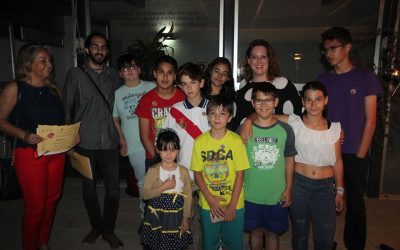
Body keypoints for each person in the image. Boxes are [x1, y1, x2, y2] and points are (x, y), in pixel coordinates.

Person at [0, 43, 74, 250]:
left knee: (51, 203)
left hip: (56, 154)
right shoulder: (15, 88)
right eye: (43, 60)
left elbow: (58, 123)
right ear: (28, 64)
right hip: (29, 155)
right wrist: (24, 134)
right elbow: (1, 120)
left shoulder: (53, 89)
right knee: (36, 208)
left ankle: (43, 242)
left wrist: (68, 137)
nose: (49, 64)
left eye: (49, 60)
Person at [317, 27, 382, 250]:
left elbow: (371, 121)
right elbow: (319, 116)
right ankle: (327, 243)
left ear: (347, 47)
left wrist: (360, 156)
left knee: (354, 205)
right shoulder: (323, 79)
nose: (329, 53)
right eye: (326, 50)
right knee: (326, 203)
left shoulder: (366, 77)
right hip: (328, 152)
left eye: (333, 48)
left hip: (355, 152)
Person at [62, 32, 124, 248]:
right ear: (86, 50)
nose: (100, 50)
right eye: (95, 46)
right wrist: (68, 143)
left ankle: (108, 229)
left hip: (110, 141)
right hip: (85, 142)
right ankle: (96, 225)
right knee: (88, 189)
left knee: (113, 189)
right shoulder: (75, 75)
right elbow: (67, 110)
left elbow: (122, 108)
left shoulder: (114, 75)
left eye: (104, 47)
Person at [190, 96, 250, 250]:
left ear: (229, 118)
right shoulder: (200, 142)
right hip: (208, 204)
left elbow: (240, 175)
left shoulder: (236, 141)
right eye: (213, 113)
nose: (217, 117)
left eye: (222, 113)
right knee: (210, 244)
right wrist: (210, 200)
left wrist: (232, 205)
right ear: (207, 116)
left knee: (234, 244)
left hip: (234, 203)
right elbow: (197, 174)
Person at [242, 83, 296, 250]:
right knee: (256, 233)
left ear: (276, 102)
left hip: (276, 195)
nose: (263, 105)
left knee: (273, 234)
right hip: (250, 194)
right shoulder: (244, 129)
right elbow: (238, 163)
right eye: (259, 101)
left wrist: (288, 189)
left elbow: (289, 160)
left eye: (268, 100)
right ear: (252, 103)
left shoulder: (286, 130)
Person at [163, 62, 210, 249]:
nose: (188, 87)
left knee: (206, 219)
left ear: (202, 83)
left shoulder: (214, 109)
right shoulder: (175, 110)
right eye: (184, 84)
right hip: (182, 173)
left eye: (193, 82)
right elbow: (165, 141)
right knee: (183, 218)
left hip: (208, 174)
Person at [113, 53, 155, 215]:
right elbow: (115, 119)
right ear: (120, 73)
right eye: (125, 68)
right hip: (134, 144)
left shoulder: (151, 86)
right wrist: (122, 141)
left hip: (154, 141)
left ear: (139, 70)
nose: (130, 70)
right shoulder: (117, 94)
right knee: (143, 181)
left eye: (133, 67)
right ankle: (146, 217)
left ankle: (162, 215)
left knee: (160, 179)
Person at [230, 39, 302, 131]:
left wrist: (251, 119)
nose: (259, 61)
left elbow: (297, 119)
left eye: (263, 57)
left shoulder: (283, 84)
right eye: (254, 57)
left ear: (269, 60)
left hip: (275, 143)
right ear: (249, 61)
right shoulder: (243, 85)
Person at [139, 129, 193, 250]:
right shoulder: (153, 170)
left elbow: (188, 194)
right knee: (158, 245)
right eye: (164, 150)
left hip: (176, 218)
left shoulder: (183, 171)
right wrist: (163, 187)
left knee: (175, 245)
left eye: (173, 150)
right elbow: (145, 194)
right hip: (157, 218)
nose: (169, 154)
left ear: (178, 150)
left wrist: (186, 217)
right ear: (158, 150)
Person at [135, 55, 185, 170]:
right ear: (154, 74)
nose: (165, 76)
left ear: (175, 76)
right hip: (155, 158)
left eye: (170, 73)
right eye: (161, 72)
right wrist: (158, 159)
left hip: (180, 158)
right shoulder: (146, 100)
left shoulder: (183, 97)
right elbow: (144, 136)